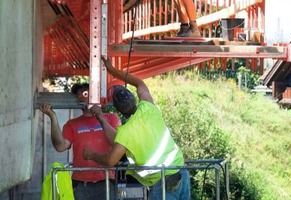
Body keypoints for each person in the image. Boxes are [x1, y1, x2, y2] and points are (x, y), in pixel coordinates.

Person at [83, 57, 191, 200]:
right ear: (134, 98)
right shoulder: (148, 107)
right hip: (181, 173)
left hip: (161, 183)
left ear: (117, 110)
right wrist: (112, 70)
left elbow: (111, 160)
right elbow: (139, 82)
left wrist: (91, 155)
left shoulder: (126, 132)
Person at [39, 83, 121, 200]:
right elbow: (60, 146)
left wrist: (101, 118)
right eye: (78, 95)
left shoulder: (111, 118)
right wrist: (53, 117)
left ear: (95, 96)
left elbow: (117, 142)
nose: (80, 97)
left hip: (107, 179)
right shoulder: (72, 124)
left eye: (85, 94)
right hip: (81, 182)